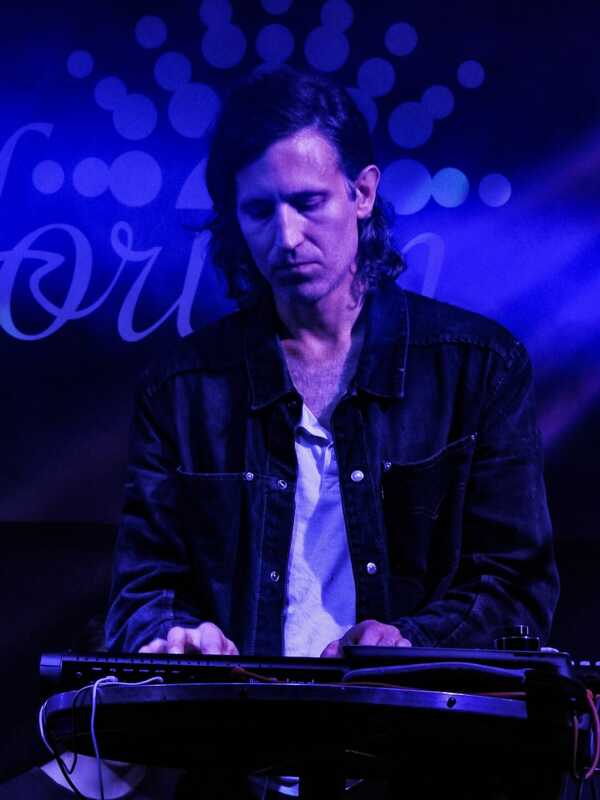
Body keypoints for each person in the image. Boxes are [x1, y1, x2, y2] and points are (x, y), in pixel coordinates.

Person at [104, 66, 559, 796]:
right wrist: (178, 637)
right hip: (241, 764)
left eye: (308, 202)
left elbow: (516, 583)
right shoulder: (181, 389)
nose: (286, 237)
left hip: (417, 761)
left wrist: (409, 645)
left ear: (363, 193)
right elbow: (140, 595)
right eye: (259, 211)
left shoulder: (479, 367)